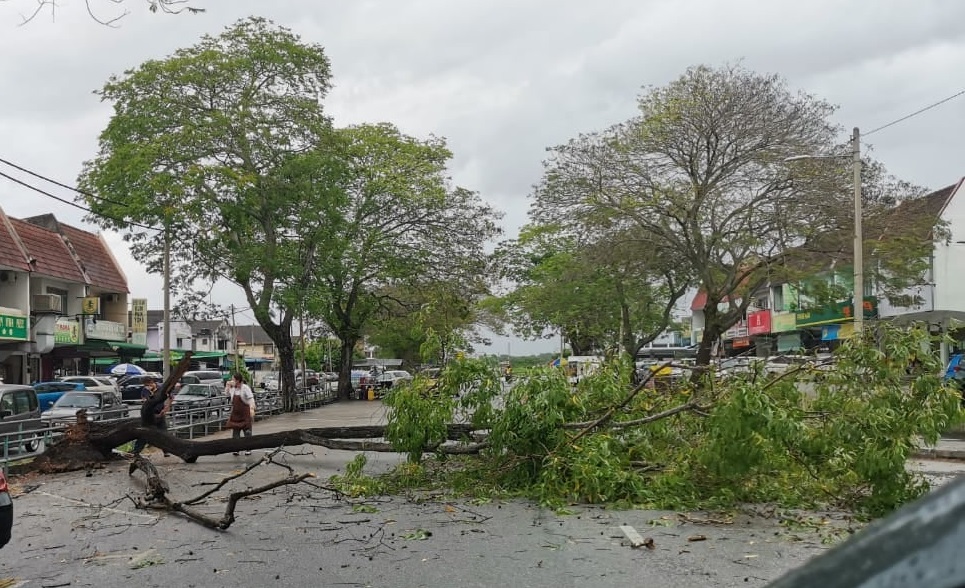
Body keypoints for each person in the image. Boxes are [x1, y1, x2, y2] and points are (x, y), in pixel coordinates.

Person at [131, 376, 172, 460]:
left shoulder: (161, 388)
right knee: (145, 432)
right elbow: (144, 400)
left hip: (160, 413)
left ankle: (166, 450)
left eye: (148, 384)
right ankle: (136, 451)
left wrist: (165, 409)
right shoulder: (145, 390)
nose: (147, 386)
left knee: (163, 432)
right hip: (150, 415)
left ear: (152, 382)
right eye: (145, 385)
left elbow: (170, 398)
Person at [225, 373, 256, 456]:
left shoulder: (245, 388)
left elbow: (250, 398)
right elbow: (227, 394)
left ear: (237, 380)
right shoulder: (233, 389)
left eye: (233, 379)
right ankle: (236, 449)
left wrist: (252, 408)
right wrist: (227, 386)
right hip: (235, 413)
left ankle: (248, 449)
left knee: (247, 432)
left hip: (245, 413)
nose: (232, 381)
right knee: (235, 432)